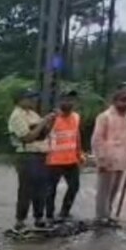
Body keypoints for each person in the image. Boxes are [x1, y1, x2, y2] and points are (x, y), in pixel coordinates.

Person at [8, 89, 56, 230]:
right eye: (29, 98)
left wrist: (50, 122)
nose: (32, 100)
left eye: (32, 98)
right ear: (20, 100)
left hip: (40, 154)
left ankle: (38, 217)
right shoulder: (17, 116)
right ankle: (20, 220)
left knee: (41, 188)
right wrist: (43, 122)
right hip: (27, 155)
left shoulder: (32, 114)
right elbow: (27, 138)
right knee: (26, 189)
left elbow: (44, 133)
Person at [91, 87, 126, 224]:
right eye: (123, 100)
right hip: (108, 159)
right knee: (103, 191)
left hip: (121, 159)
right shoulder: (105, 117)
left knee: (114, 189)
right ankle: (100, 217)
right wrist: (101, 160)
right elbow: (97, 140)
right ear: (115, 101)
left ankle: (108, 214)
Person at [45, 89, 85, 223]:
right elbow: (43, 137)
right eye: (66, 99)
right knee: (51, 190)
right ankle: (49, 216)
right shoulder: (52, 118)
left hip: (71, 160)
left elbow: (76, 136)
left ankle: (64, 213)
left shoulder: (76, 117)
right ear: (59, 101)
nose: (69, 102)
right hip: (54, 160)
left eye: (71, 100)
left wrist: (80, 154)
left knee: (74, 186)